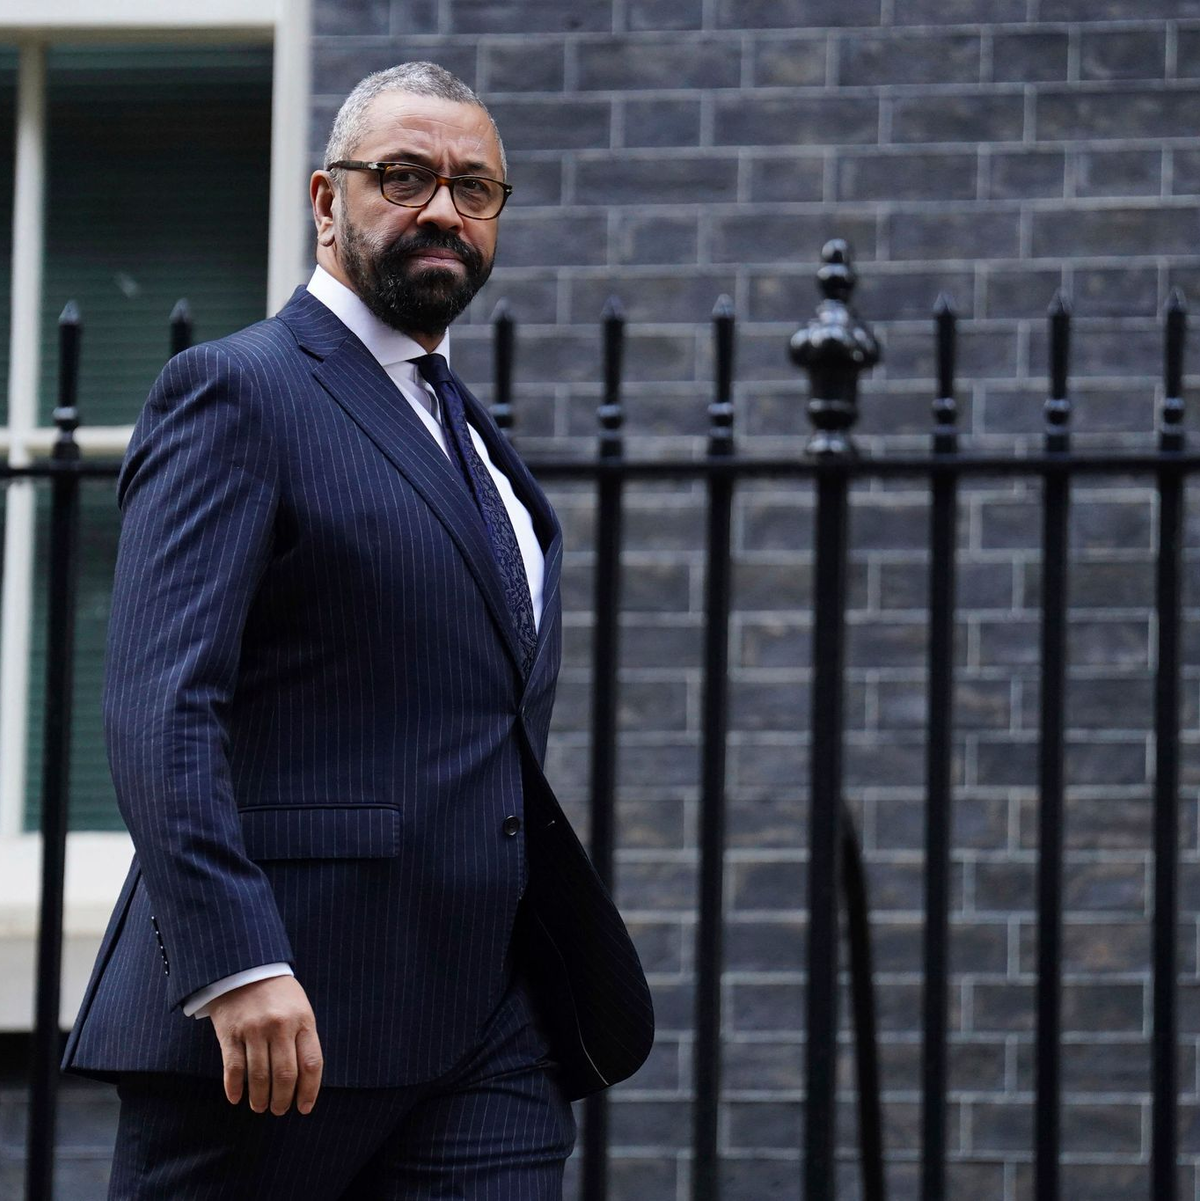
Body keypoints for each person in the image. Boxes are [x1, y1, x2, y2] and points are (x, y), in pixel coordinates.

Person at [62, 61, 653, 1199]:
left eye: (474, 188)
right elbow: (161, 703)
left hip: (491, 1024)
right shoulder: (236, 392)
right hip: (281, 1027)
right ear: (328, 203)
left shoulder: (474, 443)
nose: (443, 208)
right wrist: (236, 959)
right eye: (405, 175)